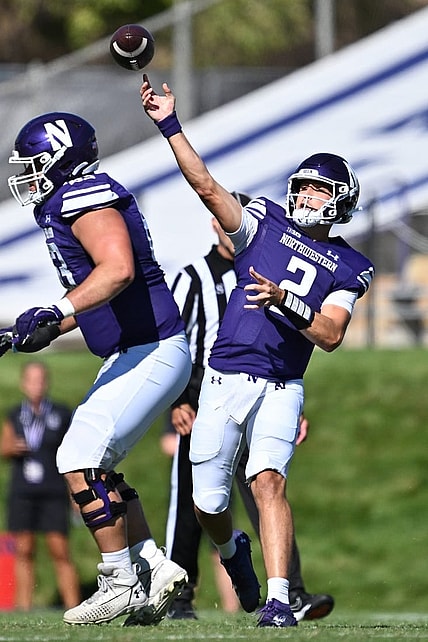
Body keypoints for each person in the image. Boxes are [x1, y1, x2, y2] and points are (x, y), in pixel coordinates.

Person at [140, 76, 375, 628]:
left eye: (318, 191)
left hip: (281, 384)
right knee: (209, 503)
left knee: (268, 480)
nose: (305, 196)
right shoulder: (262, 223)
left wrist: (282, 299)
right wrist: (168, 124)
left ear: (339, 203)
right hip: (222, 378)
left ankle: (277, 599)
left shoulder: (348, 266)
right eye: (305, 186)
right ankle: (232, 554)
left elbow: (332, 333)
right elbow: (206, 186)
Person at [0, 111, 192, 627]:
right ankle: (151, 564)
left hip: (150, 348)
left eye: (35, 163)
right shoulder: (73, 198)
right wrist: (38, 330)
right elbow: (102, 298)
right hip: (142, 348)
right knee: (94, 463)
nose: (27, 174)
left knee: (78, 454)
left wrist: (58, 310)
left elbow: (118, 270)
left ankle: (119, 581)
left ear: (61, 160)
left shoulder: (81, 193)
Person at [165, 209, 334, 621]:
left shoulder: (272, 269)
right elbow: (172, 342)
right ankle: (180, 595)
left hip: (266, 390)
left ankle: (289, 593)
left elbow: (281, 344)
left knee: (269, 487)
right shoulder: (192, 277)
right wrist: (177, 400)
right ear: (214, 225)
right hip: (208, 393)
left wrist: (294, 406)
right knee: (196, 501)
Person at [0, 360, 80, 611]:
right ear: (23, 384)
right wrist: (10, 448)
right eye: (31, 380)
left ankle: (74, 606)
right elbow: (4, 447)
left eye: (41, 380)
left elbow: (73, 452)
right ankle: (23, 607)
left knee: (60, 550)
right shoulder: (15, 415)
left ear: (47, 382)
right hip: (23, 491)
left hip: (53, 491)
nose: (36, 385)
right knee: (24, 550)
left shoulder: (60, 413)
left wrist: (75, 495)